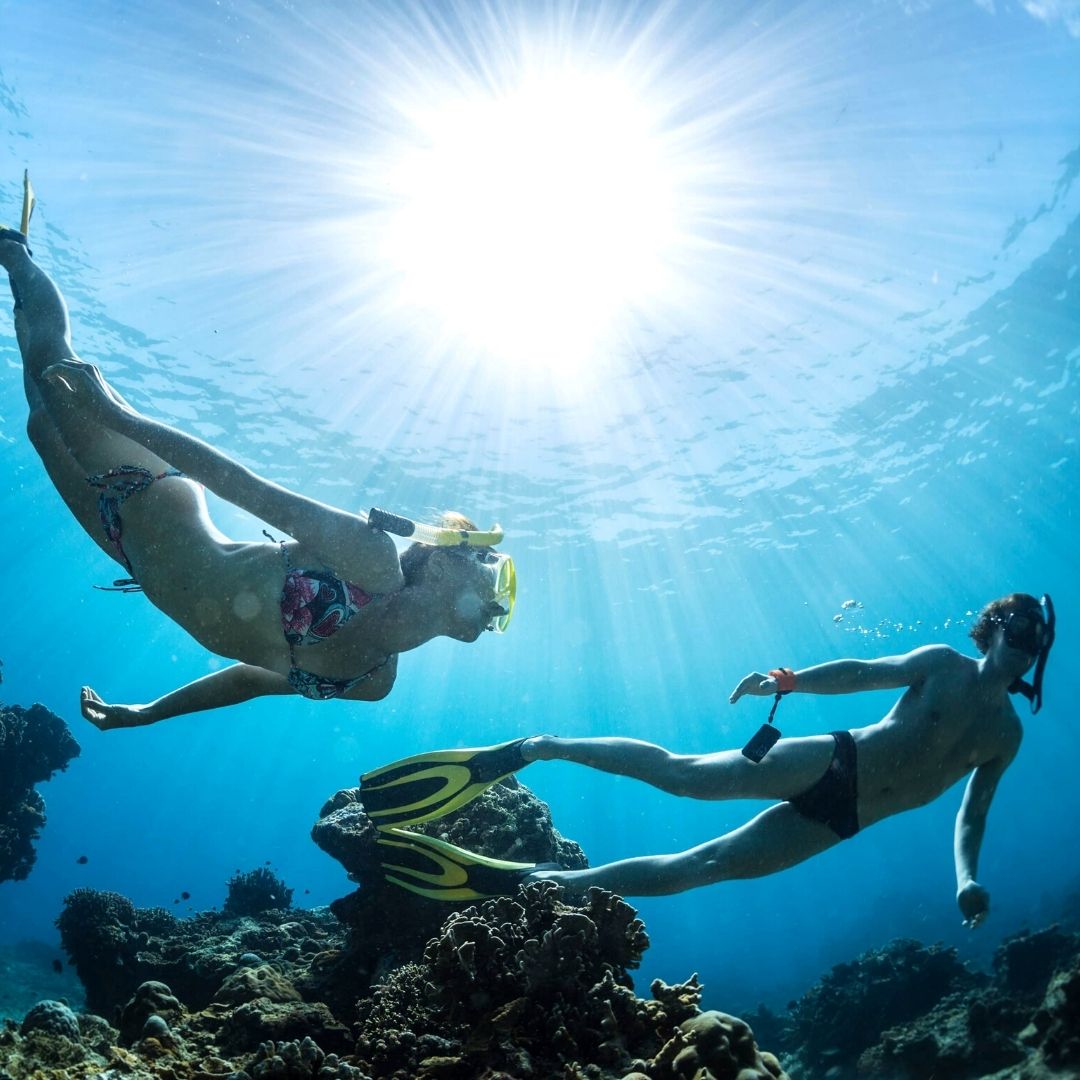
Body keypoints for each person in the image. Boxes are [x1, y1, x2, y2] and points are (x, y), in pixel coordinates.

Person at [1, 185, 515, 730]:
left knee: (39, 419)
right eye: (492, 567)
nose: (500, 608)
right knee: (54, 373)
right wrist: (121, 419)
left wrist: (146, 713)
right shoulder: (370, 556)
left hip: (130, 553)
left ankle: (16, 277)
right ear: (446, 556)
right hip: (152, 501)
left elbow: (248, 681)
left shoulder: (374, 683)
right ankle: (15, 253)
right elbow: (242, 485)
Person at [357, 593, 1054, 926]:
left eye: (1036, 638)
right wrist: (791, 681)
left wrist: (967, 878)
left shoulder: (1006, 738)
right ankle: (541, 747)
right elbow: (864, 670)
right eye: (1017, 628)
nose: (1024, 643)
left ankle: (539, 885)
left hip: (848, 819)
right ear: (994, 628)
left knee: (702, 870)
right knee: (685, 777)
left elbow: (973, 817)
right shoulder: (942, 665)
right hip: (833, 763)